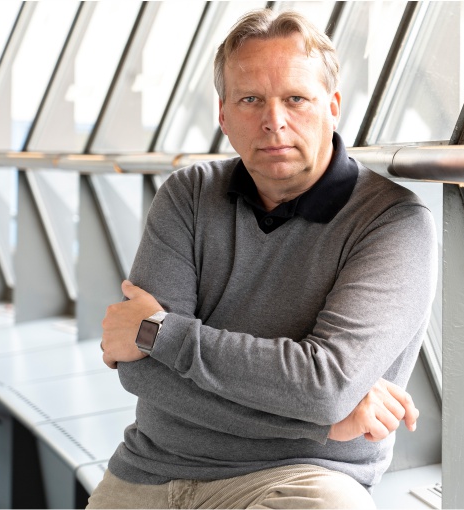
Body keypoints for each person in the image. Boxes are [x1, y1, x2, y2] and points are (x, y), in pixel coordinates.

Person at [88, 8, 437, 509]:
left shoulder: (392, 222)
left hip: (300, 479)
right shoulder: (188, 194)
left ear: (331, 106)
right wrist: (324, 423)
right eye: (251, 100)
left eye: (296, 98)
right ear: (224, 116)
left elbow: (324, 385)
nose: (274, 122)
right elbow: (140, 372)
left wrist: (162, 334)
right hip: (148, 473)